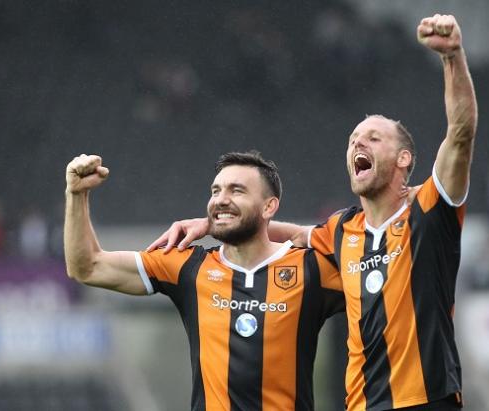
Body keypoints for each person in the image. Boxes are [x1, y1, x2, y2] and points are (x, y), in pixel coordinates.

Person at [148, 14, 477, 411]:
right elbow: (294, 234)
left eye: (373, 137)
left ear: (404, 158)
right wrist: (213, 224)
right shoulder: (343, 229)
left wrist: (452, 57)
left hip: (426, 399)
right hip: (362, 405)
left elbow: (460, 132)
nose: (359, 142)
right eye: (354, 139)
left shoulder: (429, 209)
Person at [63, 151, 344, 411]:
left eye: (237, 190)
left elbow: (376, 261)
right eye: (216, 191)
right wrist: (76, 194)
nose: (221, 199)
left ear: (269, 206)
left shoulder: (311, 268)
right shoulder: (188, 265)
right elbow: (87, 267)